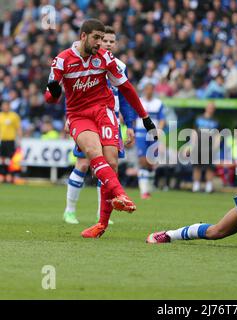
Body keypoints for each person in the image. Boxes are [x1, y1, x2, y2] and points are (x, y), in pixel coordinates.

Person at [44, 19, 157, 238]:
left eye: (104, 39)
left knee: (112, 162)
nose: (101, 43)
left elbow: (126, 88)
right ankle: (120, 196)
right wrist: (54, 93)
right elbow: (49, 97)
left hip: (104, 111)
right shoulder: (62, 61)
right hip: (78, 115)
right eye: (97, 38)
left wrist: (143, 117)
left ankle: (101, 224)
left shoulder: (105, 58)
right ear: (83, 36)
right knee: (92, 156)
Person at [62, 26, 136, 225]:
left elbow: (126, 95)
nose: (109, 44)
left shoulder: (119, 65)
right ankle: (69, 210)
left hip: (110, 118)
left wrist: (129, 123)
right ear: (98, 42)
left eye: (112, 41)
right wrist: (68, 118)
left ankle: (101, 214)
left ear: (116, 44)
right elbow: (72, 91)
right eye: (105, 41)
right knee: (84, 164)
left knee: (110, 165)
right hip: (87, 117)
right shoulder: (87, 61)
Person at [134, 82, 166, 199]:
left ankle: (149, 188)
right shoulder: (138, 101)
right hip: (141, 133)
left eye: (151, 89)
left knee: (151, 162)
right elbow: (133, 117)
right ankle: (144, 191)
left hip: (153, 134)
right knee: (142, 160)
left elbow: (162, 119)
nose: (149, 91)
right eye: (147, 89)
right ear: (144, 90)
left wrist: (159, 131)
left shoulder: (158, 104)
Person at [191, 101, 219, 193]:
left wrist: (215, 146)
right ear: (206, 108)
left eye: (212, 108)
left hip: (209, 147)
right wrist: (192, 144)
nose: (211, 109)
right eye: (209, 107)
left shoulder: (215, 121)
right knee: (197, 166)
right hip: (198, 145)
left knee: (209, 167)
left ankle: (209, 186)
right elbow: (194, 132)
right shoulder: (199, 119)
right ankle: (196, 185)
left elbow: (217, 135)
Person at [0, 100, 22, 183]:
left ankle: (10, 175)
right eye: (4, 105)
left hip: (10, 141)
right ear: (2, 106)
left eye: (7, 105)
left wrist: (20, 139)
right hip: (2, 141)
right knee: (2, 159)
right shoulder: (0, 116)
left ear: (9, 106)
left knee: (11, 159)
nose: (5, 107)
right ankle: (2, 174)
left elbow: (18, 128)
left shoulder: (14, 116)